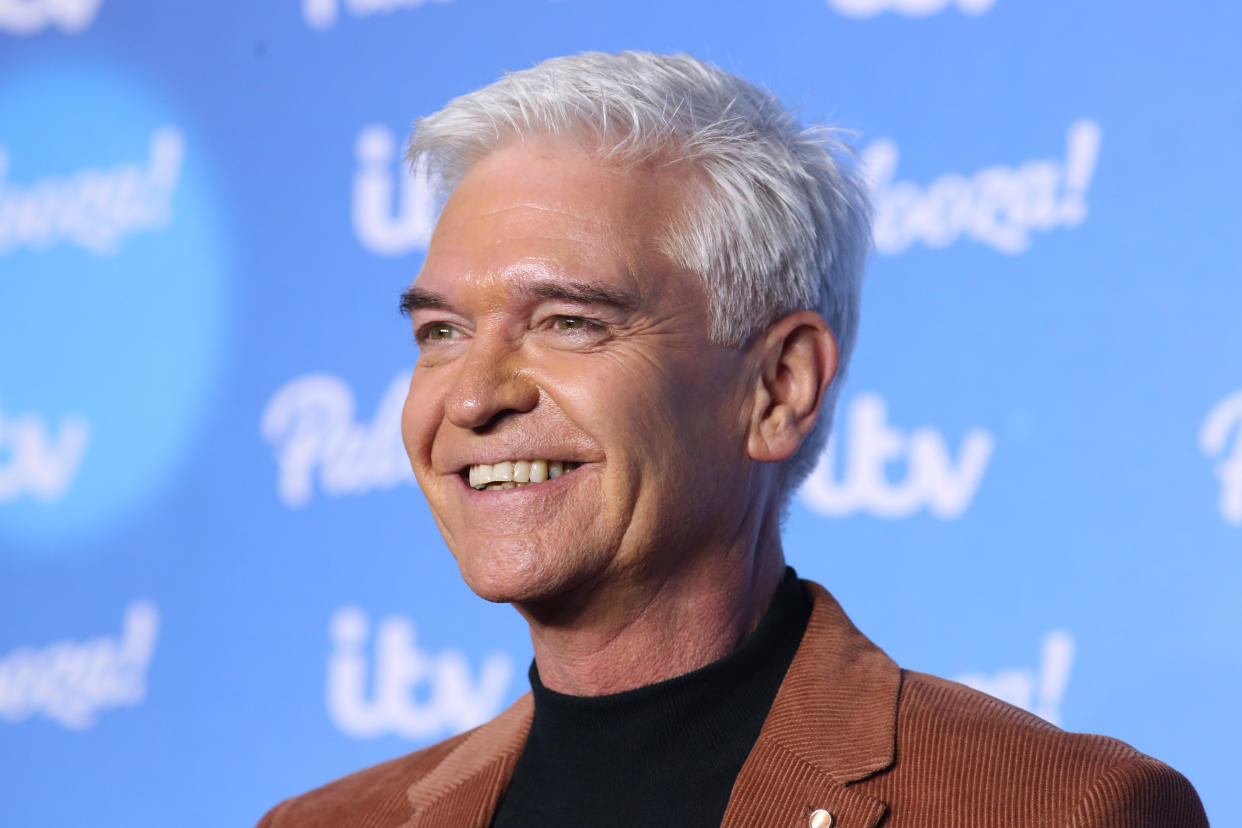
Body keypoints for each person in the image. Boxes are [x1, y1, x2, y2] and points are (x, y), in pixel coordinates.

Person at [258, 51, 1207, 827]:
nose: (469, 402)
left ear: (778, 388)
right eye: (441, 333)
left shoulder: (1056, 809)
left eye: (569, 322)